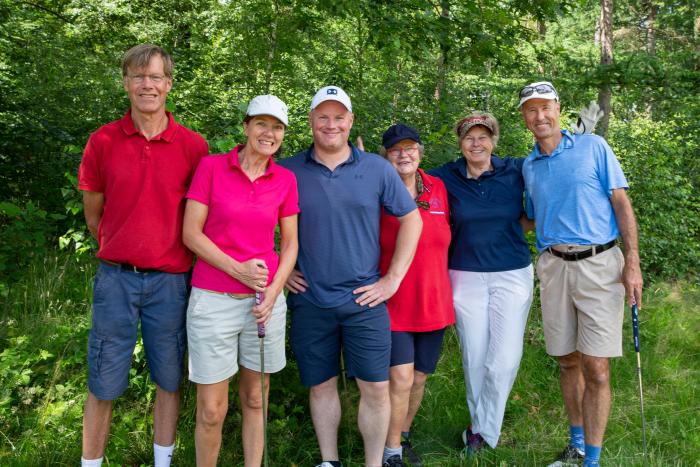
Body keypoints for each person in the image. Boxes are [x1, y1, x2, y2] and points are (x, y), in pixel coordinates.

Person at [77, 44, 208, 467]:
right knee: (103, 377)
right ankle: (91, 463)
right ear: (126, 83)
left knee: (169, 378)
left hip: (171, 281)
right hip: (115, 279)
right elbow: (94, 214)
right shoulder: (103, 141)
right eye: (138, 76)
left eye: (155, 77)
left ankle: (162, 462)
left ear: (168, 84)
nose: (146, 85)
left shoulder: (193, 146)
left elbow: (200, 217)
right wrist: (124, 246)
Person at [280, 86, 423, 467]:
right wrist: (282, 266)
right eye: (323, 117)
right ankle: (329, 461)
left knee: (375, 387)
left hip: (365, 300)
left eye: (339, 117)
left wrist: (392, 279)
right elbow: (257, 219)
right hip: (311, 298)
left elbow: (412, 220)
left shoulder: (376, 168)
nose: (331, 125)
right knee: (321, 384)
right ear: (311, 121)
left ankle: (373, 463)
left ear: (351, 121)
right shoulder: (288, 170)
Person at [518, 81, 643, 467]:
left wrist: (633, 262)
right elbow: (529, 218)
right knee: (567, 360)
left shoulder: (593, 147)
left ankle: (592, 459)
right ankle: (575, 444)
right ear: (524, 117)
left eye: (546, 107)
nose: (540, 115)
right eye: (531, 109)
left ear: (558, 109)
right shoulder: (528, 165)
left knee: (597, 368)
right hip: (554, 267)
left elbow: (621, 202)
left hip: (600, 265)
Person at [182, 94, 299, 466]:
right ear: (246, 126)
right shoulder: (211, 167)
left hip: (263, 304)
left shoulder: (285, 179)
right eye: (261, 123)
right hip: (213, 300)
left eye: (277, 127)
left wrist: (273, 292)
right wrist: (238, 270)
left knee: (255, 398)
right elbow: (191, 233)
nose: (269, 133)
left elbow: (291, 244)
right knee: (211, 410)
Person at [429, 112, 535, 455]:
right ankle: (480, 434)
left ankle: (482, 429)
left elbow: (550, 169)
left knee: (504, 360)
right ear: (460, 143)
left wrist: (580, 136)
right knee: (475, 357)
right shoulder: (445, 176)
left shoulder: (516, 170)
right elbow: (405, 177)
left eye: (483, 136)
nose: (476, 143)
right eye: (469, 137)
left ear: (494, 140)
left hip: (512, 272)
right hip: (464, 275)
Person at [377, 124, 455, 467]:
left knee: (420, 377)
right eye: (395, 150)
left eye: (409, 148)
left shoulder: (438, 187)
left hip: (434, 299)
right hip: (393, 301)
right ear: (385, 156)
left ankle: (402, 434)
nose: (403, 154)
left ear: (420, 152)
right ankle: (390, 450)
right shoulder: (377, 189)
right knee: (401, 377)